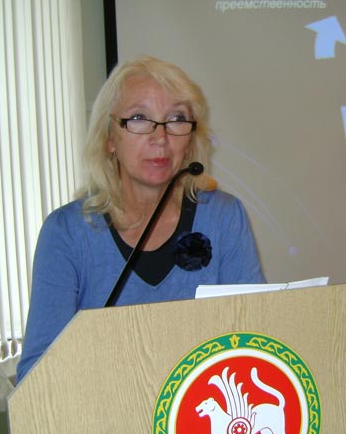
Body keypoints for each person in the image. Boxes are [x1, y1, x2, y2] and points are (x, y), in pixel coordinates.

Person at [16, 56, 265, 381]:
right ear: (109, 138)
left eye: (176, 119)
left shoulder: (224, 217)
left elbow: (256, 341)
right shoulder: (67, 233)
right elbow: (36, 376)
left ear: (191, 138)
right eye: (139, 118)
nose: (160, 138)